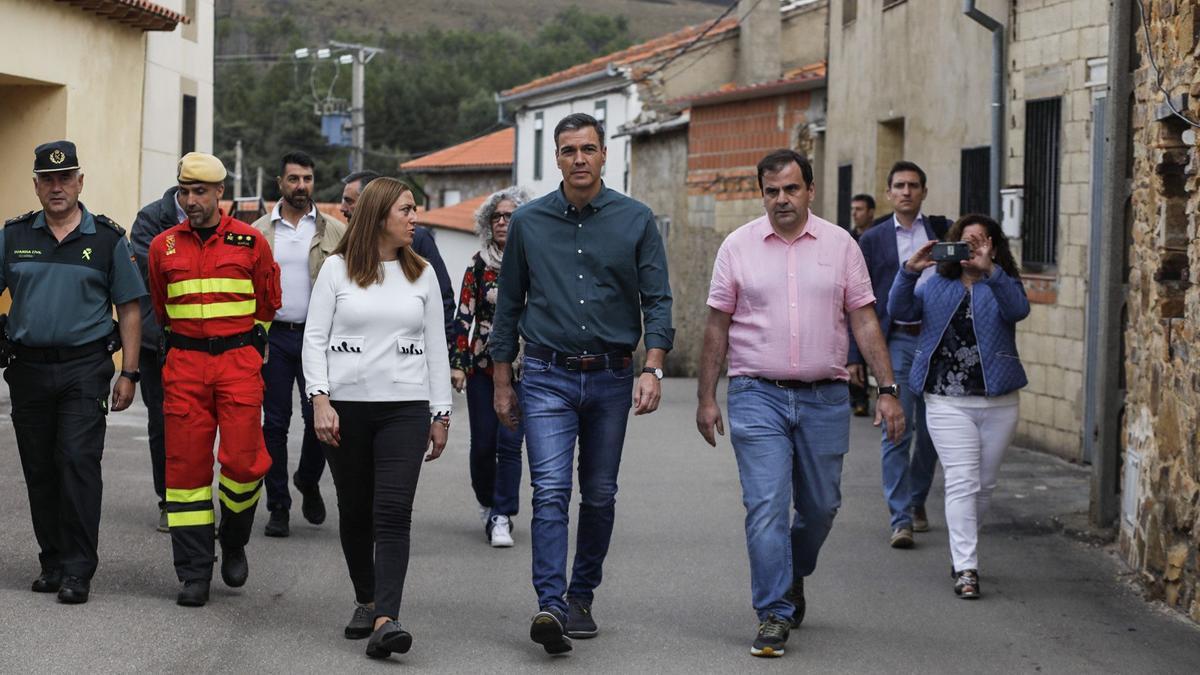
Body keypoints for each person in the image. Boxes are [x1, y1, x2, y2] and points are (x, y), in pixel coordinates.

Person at [696, 149, 905, 658]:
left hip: (825, 398)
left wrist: (888, 389)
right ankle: (772, 612)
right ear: (761, 193)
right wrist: (706, 397)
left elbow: (863, 321)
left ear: (810, 190)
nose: (782, 199)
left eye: (791, 189)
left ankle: (791, 571)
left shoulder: (840, 246)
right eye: (772, 191)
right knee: (765, 507)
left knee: (821, 507)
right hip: (756, 395)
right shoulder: (738, 246)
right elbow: (717, 326)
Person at [490, 112, 674, 655]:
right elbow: (509, 307)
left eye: (587, 149)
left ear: (603, 155)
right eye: (568, 151)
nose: (578, 159)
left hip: (614, 376)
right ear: (557, 158)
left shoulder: (635, 220)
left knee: (598, 494)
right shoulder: (527, 223)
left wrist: (652, 366)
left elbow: (657, 300)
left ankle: (581, 596)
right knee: (549, 491)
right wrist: (503, 382)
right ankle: (549, 603)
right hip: (546, 375)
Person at [303, 177, 451, 658]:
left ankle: (387, 618)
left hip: (404, 410)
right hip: (344, 410)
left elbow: (435, 347)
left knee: (393, 512)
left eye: (415, 209)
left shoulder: (422, 272)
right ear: (380, 214)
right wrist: (320, 400)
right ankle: (365, 599)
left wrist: (441, 412)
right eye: (406, 210)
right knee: (355, 509)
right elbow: (315, 339)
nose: (415, 218)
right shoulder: (336, 270)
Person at [0, 140, 146, 605]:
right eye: (48, 179)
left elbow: (129, 307)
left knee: (78, 464)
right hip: (27, 370)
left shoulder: (105, 239)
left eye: (66, 179)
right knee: (40, 469)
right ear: (37, 185)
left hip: (85, 370)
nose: (57, 187)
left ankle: (79, 569)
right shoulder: (13, 236)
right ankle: (53, 562)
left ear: (80, 182)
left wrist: (130, 372)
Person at [147, 152, 282, 607]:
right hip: (184, 366)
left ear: (220, 193)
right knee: (185, 473)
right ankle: (193, 572)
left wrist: (248, 348)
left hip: (238, 365)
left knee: (245, 465)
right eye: (184, 192)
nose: (190, 201)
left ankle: (235, 536)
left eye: (199, 192)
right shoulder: (161, 246)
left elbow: (268, 302)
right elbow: (160, 306)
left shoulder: (251, 242)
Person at [888, 214, 1028, 600]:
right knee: (963, 481)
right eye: (966, 241)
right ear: (953, 244)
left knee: (984, 486)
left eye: (982, 241)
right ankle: (967, 566)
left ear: (994, 247)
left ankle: (963, 551)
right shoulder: (935, 284)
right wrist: (909, 271)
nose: (973, 248)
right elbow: (898, 309)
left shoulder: (1005, 284)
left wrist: (993, 272)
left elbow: (1018, 311)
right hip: (946, 399)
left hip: (998, 399)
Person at [851, 161, 950, 547]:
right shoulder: (872, 240)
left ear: (924, 192)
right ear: (889, 193)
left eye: (913, 185)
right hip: (897, 341)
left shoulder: (942, 231)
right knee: (897, 427)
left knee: (931, 432)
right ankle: (901, 518)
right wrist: (854, 355)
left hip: (940, 341)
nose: (906, 191)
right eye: (899, 186)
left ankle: (916, 498)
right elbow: (855, 301)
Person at [250, 151, 346, 538]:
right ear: (280, 183)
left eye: (307, 178)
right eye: (294, 179)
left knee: (317, 422)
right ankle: (278, 506)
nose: (301, 186)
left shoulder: (335, 231)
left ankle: (307, 480)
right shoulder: (259, 232)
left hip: (317, 339)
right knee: (273, 424)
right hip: (274, 338)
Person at [450, 187, 530, 548]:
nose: (502, 222)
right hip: (482, 365)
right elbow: (463, 315)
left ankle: (503, 515)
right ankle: (486, 501)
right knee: (483, 444)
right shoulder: (478, 263)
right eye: (496, 216)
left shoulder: (534, 261)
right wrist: (457, 364)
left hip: (525, 366)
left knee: (511, 443)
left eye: (509, 216)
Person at [132, 183, 189, 532]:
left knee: (198, 424)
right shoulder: (151, 218)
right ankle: (168, 498)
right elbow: (152, 274)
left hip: (202, 341)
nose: (198, 198)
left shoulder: (218, 219)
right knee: (163, 423)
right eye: (191, 189)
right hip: (158, 342)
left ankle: (194, 496)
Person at [341, 170, 455, 343]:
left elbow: (442, 301)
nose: (342, 208)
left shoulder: (419, 244)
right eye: (406, 210)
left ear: (373, 204)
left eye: (350, 201)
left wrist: (441, 349)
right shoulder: (340, 259)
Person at [847, 194, 877, 417]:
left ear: (871, 212)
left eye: (860, 209)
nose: (855, 214)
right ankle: (859, 399)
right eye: (853, 210)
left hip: (876, 298)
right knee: (854, 351)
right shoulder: (847, 238)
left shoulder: (878, 238)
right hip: (852, 301)